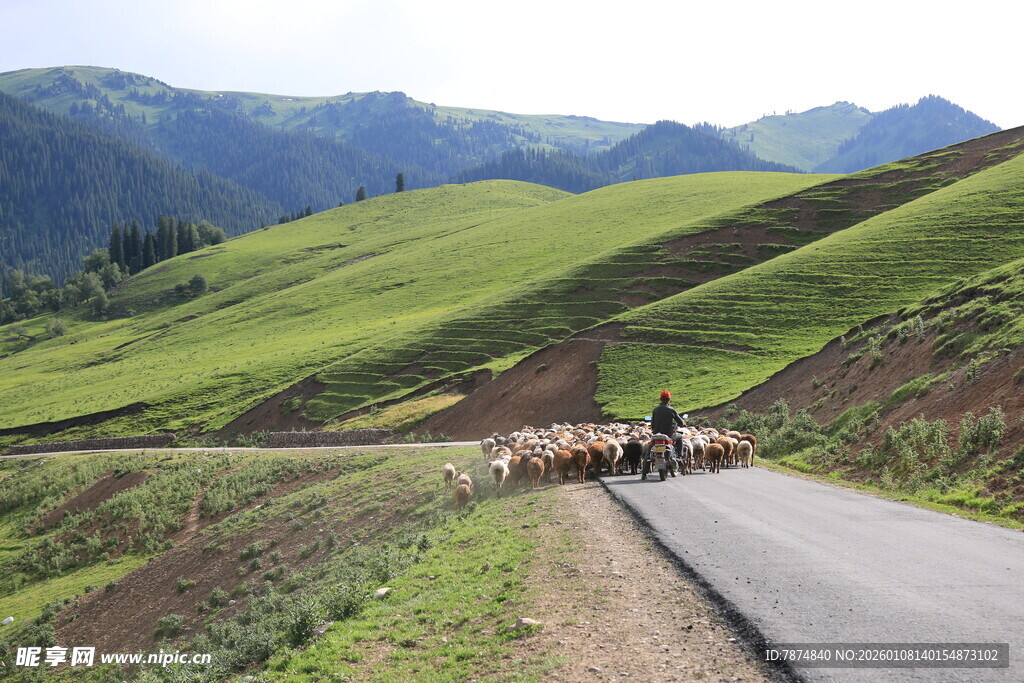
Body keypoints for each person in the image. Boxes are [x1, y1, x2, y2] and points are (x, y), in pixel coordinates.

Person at [649, 390, 686, 475]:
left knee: (650, 448)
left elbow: (653, 423)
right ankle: (679, 457)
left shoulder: (655, 410)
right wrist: (683, 424)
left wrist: (655, 429)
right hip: (669, 434)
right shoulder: (671, 409)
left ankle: (644, 470)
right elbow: (679, 421)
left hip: (657, 434)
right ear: (669, 399)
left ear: (660, 399)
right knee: (680, 437)